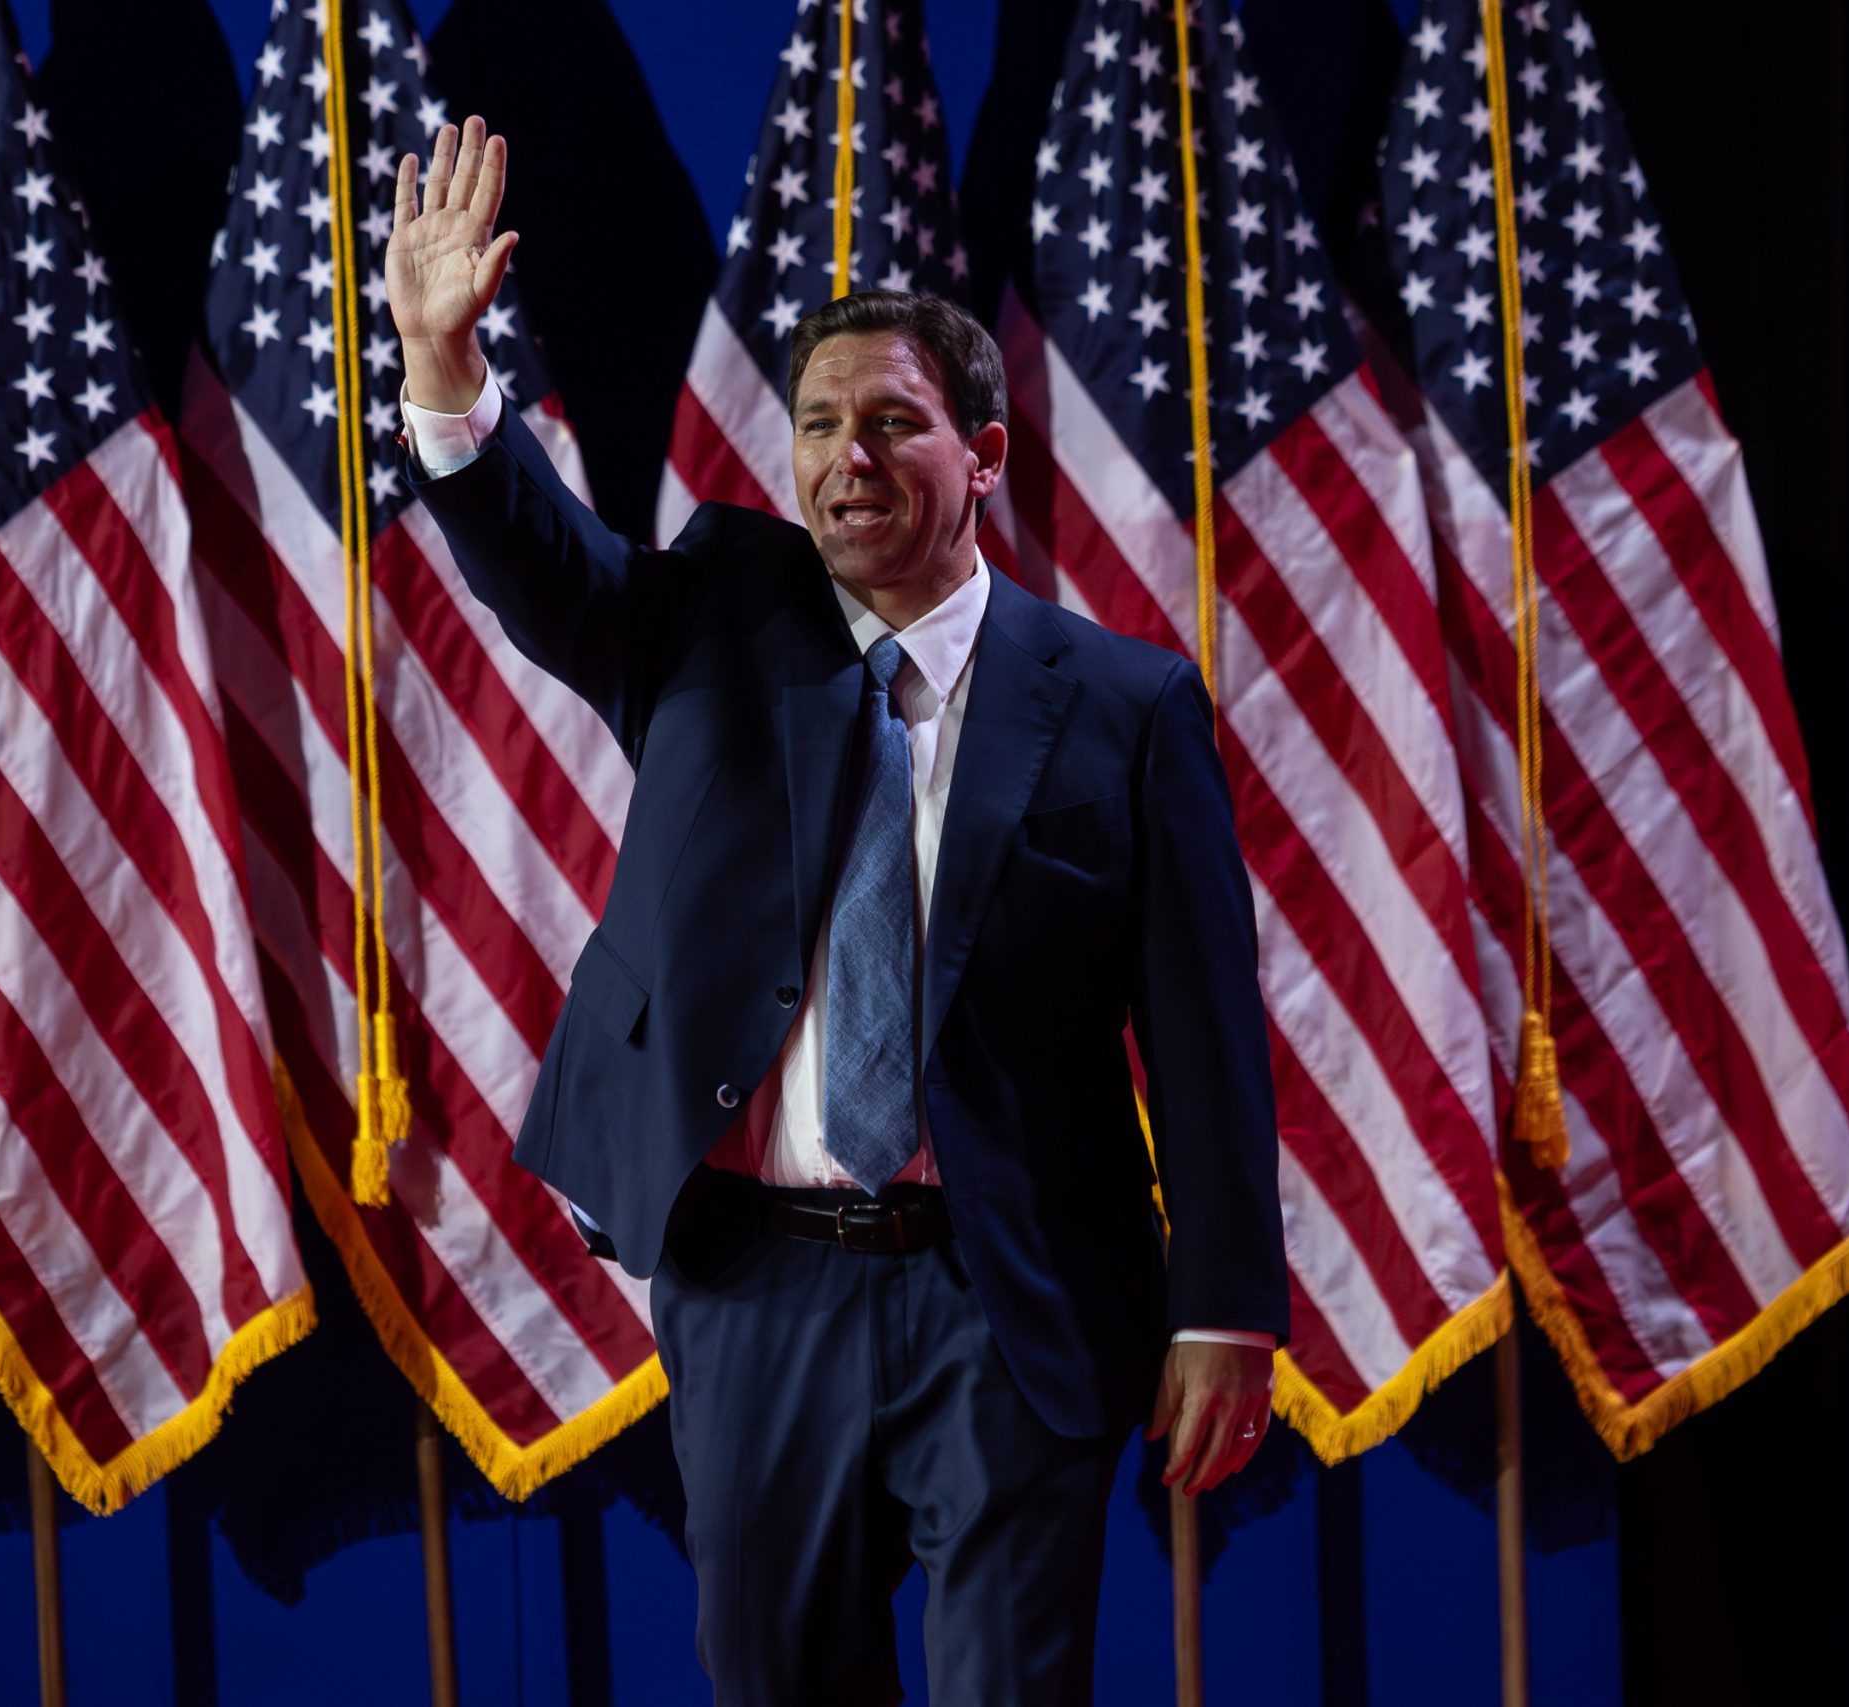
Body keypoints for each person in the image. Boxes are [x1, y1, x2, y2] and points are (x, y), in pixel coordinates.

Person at [386, 117, 1288, 1704]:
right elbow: (540, 566)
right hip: (758, 1281)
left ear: (985, 457)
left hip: (1010, 1292)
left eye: (891, 424)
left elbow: (1207, 1041)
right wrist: (445, 374)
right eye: (816, 426)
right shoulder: (713, 618)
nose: (845, 459)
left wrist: (1225, 1306)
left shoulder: (1126, 708)